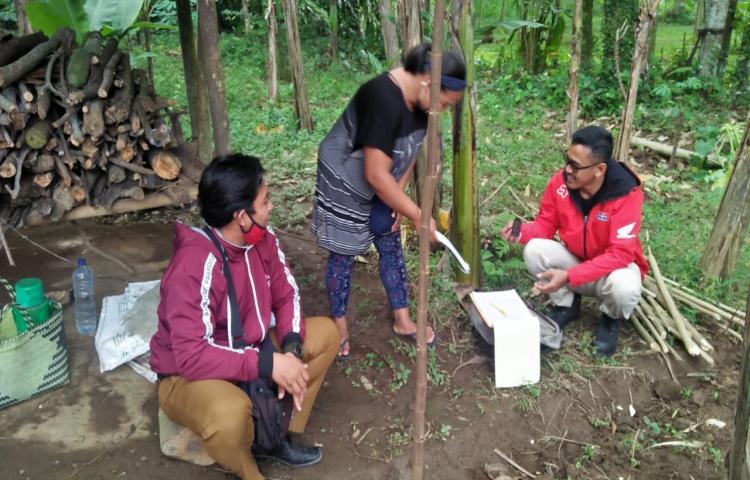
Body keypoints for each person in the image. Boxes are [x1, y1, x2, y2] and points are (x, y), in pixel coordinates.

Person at [150, 154, 339, 480]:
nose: (271, 208)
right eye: (265, 202)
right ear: (241, 216)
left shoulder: (263, 239)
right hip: (189, 376)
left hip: (250, 351)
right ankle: (248, 470)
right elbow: (193, 356)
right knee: (229, 415)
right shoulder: (193, 264)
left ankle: (276, 436)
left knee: (326, 335)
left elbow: (287, 295)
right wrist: (269, 365)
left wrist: (291, 351)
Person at [311, 42, 466, 359]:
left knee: (389, 236)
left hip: (381, 178)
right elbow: (375, 174)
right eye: (445, 104)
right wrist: (418, 214)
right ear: (427, 81)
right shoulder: (381, 98)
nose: (444, 111)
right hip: (344, 174)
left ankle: (403, 320)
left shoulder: (423, 104)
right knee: (344, 252)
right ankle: (338, 326)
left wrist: (400, 200)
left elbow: (409, 152)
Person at [501, 126, 648, 356]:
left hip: (609, 272)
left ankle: (611, 318)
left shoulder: (626, 194)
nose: (567, 169)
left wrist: (569, 276)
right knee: (533, 250)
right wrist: (523, 232)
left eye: (576, 166)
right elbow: (545, 226)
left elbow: (621, 254)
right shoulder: (560, 184)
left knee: (625, 287)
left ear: (599, 169)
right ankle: (565, 304)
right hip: (577, 261)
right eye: (567, 160)